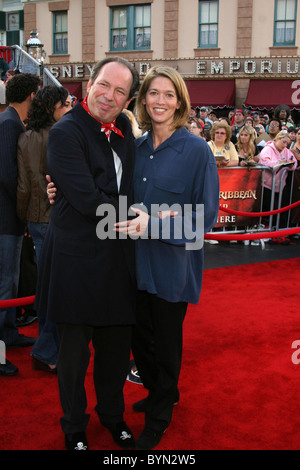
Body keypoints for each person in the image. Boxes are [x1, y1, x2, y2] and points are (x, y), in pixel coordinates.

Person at [34, 57, 139, 450]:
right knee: (74, 358)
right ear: (88, 83)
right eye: (104, 85)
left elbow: (127, 184)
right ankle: (74, 427)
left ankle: (113, 417)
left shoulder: (126, 127)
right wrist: (133, 216)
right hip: (76, 263)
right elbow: (86, 199)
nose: (109, 96)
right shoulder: (65, 132)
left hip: (117, 262)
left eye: (120, 92)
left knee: (114, 354)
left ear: (128, 100)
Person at [114, 65, 220, 450]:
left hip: (173, 270)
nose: (160, 101)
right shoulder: (134, 148)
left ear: (180, 102)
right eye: (153, 93)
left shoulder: (197, 151)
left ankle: (160, 415)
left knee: (165, 344)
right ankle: (162, 392)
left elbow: (205, 218)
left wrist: (155, 224)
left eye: (168, 94)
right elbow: (114, 197)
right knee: (140, 342)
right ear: (143, 100)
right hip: (134, 267)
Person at [17, 85, 72, 374]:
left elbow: (23, 186)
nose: (69, 109)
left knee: (47, 287)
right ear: (52, 108)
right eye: (64, 105)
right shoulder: (63, 137)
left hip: (35, 220)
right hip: (57, 221)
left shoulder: (25, 136)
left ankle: (48, 348)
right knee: (57, 290)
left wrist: (24, 218)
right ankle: (48, 350)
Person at [0, 73, 40, 377]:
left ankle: (9, 333)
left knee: (10, 281)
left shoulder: (11, 122)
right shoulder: (10, 125)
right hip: (5, 219)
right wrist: (24, 211)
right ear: (30, 96)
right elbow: (9, 176)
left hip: (9, 218)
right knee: (5, 282)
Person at [259, 130, 297, 236]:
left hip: (280, 185)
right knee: (271, 207)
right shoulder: (267, 149)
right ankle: (269, 228)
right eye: (283, 142)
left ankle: (279, 230)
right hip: (266, 184)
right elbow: (264, 161)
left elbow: (294, 162)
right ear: (278, 139)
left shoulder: (286, 151)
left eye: (287, 143)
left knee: (280, 208)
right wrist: (279, 163)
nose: (285, 145)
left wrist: (290, 165)